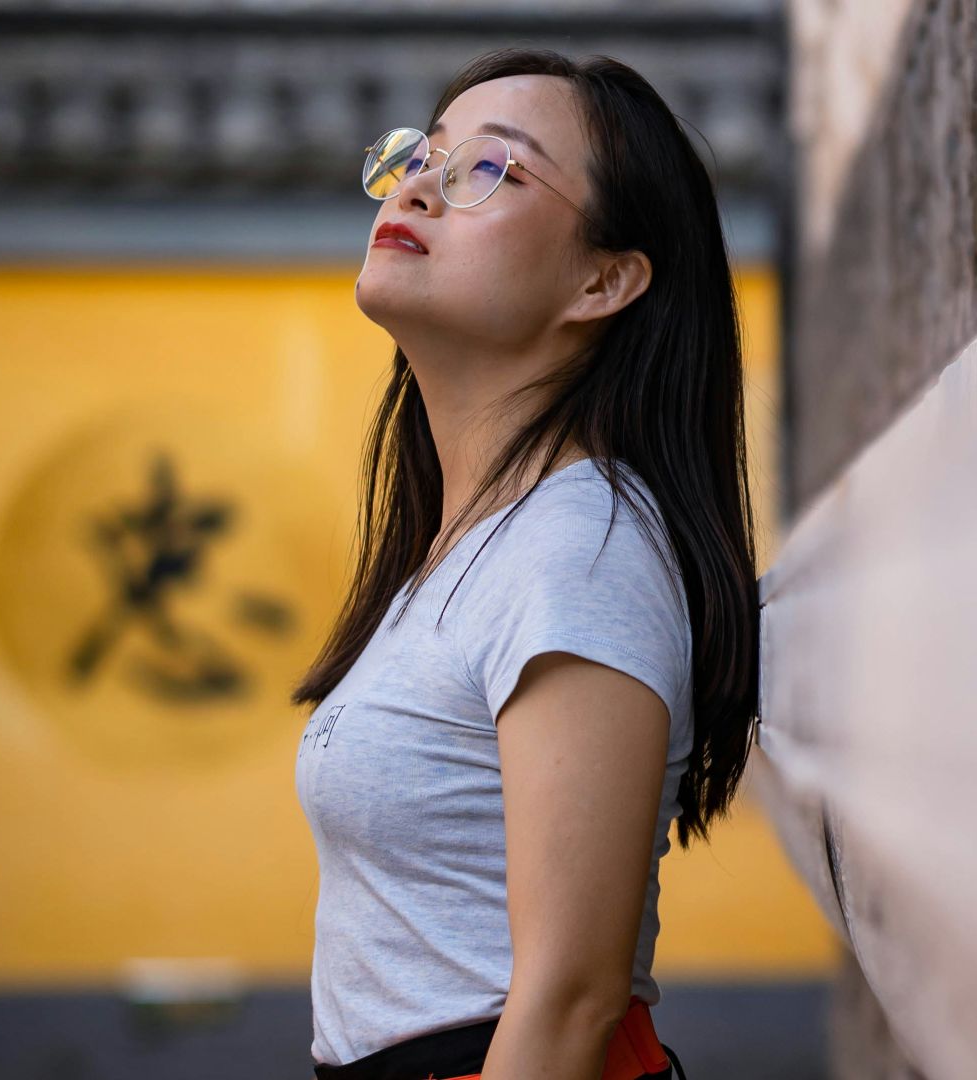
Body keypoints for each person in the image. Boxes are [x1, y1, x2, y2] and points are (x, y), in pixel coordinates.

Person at [291, 46, 760, 1080]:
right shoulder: (467, 547)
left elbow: (574, 996)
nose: (420, 183)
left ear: (605, 279)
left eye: (489, 170)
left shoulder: (578, 551)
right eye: (425, 154)